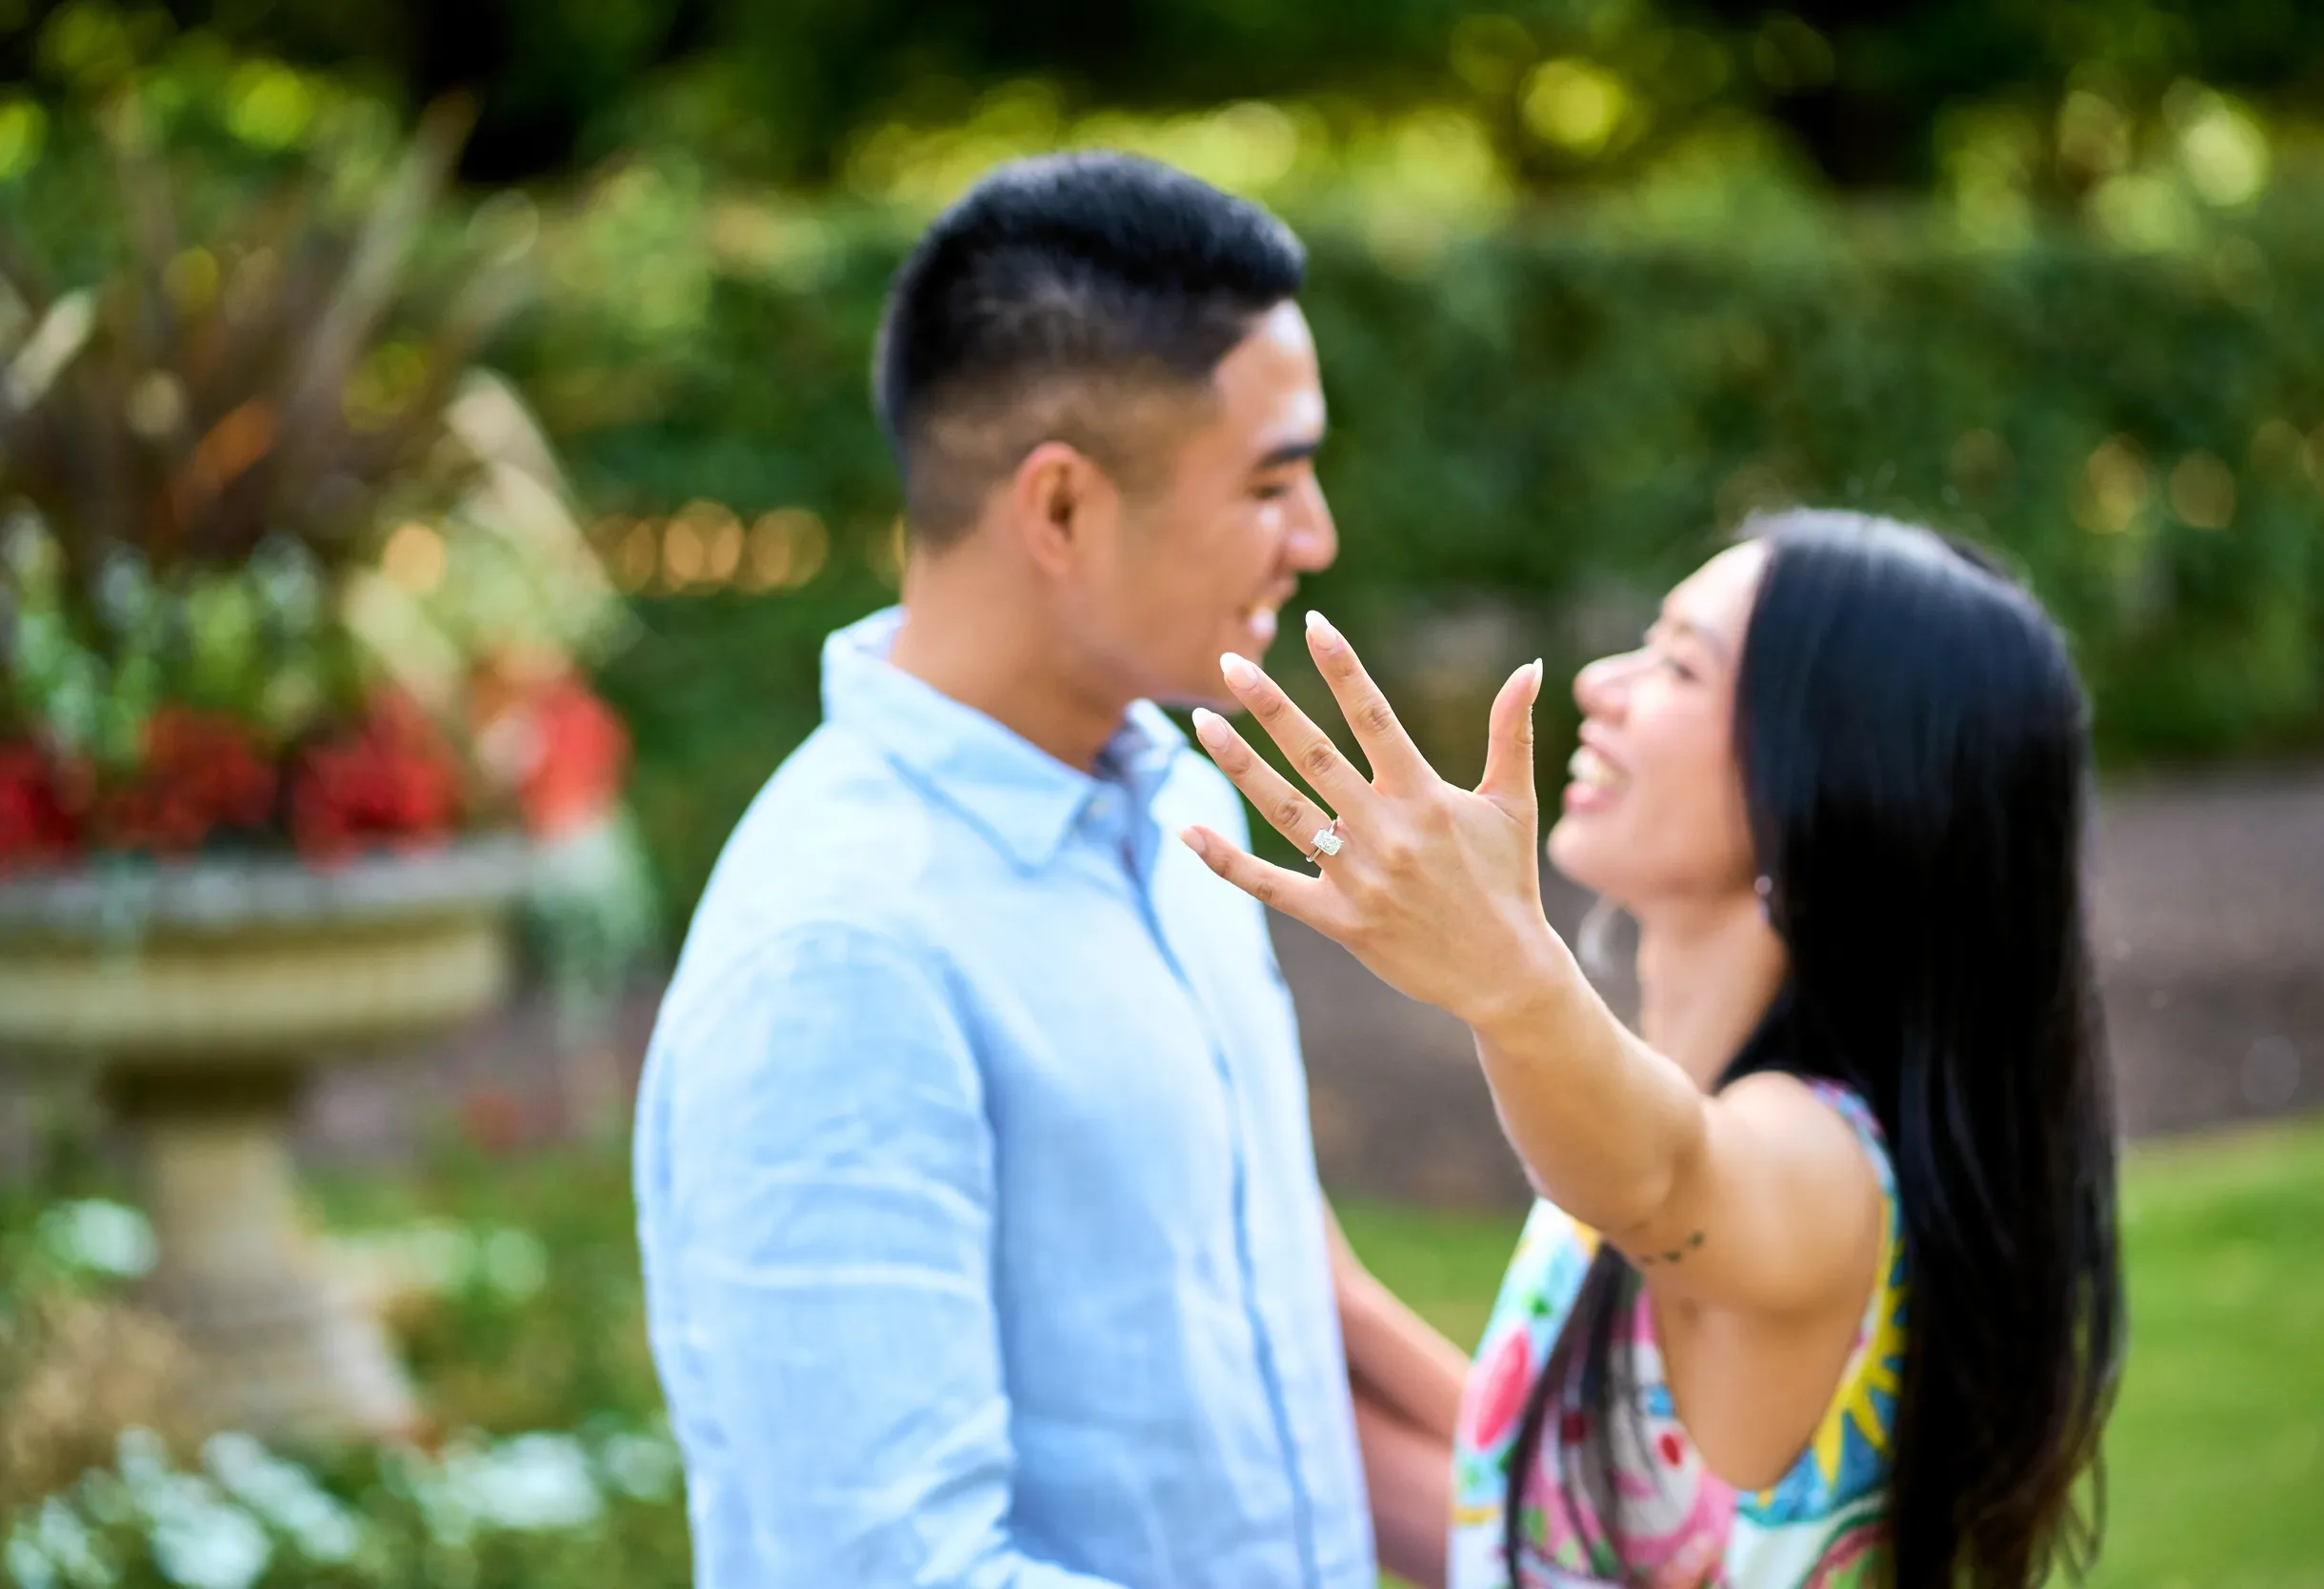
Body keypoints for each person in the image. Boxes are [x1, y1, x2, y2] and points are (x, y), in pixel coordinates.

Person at [631, 151, 1473, 1589]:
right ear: (1062, 508)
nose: (1316, 537)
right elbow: (885, 1571)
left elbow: (1267, 1365)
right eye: (1272, 483)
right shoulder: (843, 955)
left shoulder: (1185, 806)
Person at [1180, 510, 2126, 1589]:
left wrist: (1503, 970)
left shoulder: (1818, 1171)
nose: (1602, 683)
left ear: (1830, 773)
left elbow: (1658, 1170)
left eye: (1679, 664)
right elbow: (1525, 1503)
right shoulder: (1683, 1126)